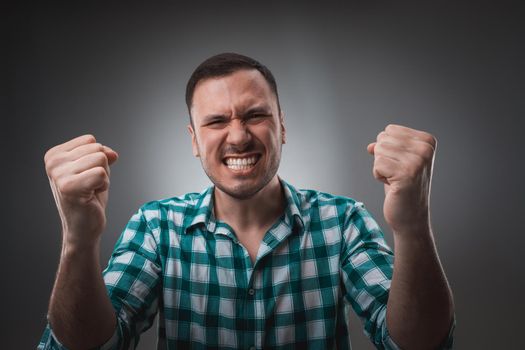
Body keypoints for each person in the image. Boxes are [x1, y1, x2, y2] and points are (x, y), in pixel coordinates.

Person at [38, 53, 454, 349]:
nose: (238, 136)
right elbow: (89, 345)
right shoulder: (155, 226)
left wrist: (413, 224)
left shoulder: (342, 222)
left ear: (282, 127)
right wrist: (78, 238)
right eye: (217, 121)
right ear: (194, 141)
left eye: (255, 115)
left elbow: (415, 344)